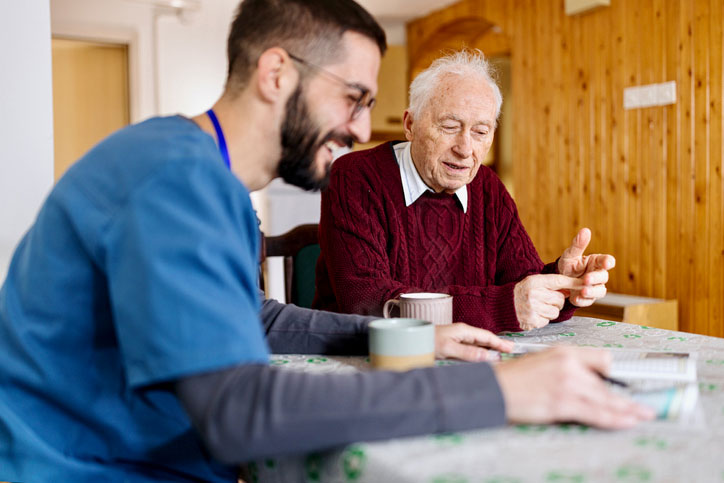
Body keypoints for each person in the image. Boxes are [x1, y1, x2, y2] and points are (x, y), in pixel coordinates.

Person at [0, 2, 652, 481]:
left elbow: (256, 317)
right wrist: (503, 392)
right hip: (92, 468)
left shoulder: (207, 179)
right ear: (277, 73)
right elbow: (238, 409)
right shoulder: (171, 179)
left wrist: (403, 336)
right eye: (353, 98)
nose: (364, 126)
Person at [313, 50, 615, 334]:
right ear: (410, 124)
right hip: (367, 360)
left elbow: (521, 284)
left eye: (480, 132)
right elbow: (368, 302)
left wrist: (561, 284)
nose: (465, 149)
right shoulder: (355, 176)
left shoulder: (488, 186)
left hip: (464, 358)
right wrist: (502, 306)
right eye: (449, 126)